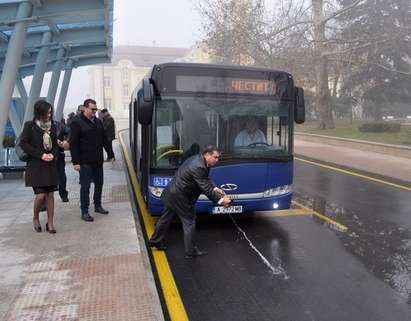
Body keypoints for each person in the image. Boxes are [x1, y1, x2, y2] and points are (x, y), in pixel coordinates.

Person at [148, 145, 232, 258]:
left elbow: (206, 178)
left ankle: (155, 240)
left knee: (165, 218)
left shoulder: (199, 159)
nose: (217, 160)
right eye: (215, 157)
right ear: (207, 154)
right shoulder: (198, 166)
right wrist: (221, 200)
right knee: (189, 221)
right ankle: (190, 251)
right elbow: (205, 188)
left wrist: (216, 188)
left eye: (218, 158)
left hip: (172, 193)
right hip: (180, 197)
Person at [20, 100, 59, 234]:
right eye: (47, 113)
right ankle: (35, 218)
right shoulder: (29, 126)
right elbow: (23, 144)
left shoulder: (53, 126)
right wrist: (41, 155)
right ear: (39, 112)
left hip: (50, 166)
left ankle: (50, 223)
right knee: (40, 196)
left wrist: (53, 155)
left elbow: (55, 145)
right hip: (36, 166)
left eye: (50, 112)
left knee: (50, 195)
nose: (49, 115)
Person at [70, 99, 110, 222]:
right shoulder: (77, 122)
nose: (94, 112)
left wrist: (110, 153)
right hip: (84, 161)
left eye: (95, 109)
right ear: (85, 108)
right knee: (85, 186)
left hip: (97, 160)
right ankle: (85, 211)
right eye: (92, 109)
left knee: (99, 184)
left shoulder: (98, 121)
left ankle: (97, 205)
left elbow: (104, 139)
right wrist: (76, 162)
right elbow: (74, 144)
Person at [55, 120, 70, 202]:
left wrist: (66, 141)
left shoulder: (58, 125)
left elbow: (69, 131)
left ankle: (63, 194)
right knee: (45, 179)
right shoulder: (36, 126)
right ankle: (43, 201)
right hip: (43, 157)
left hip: (58, 155)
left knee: (61, 177)